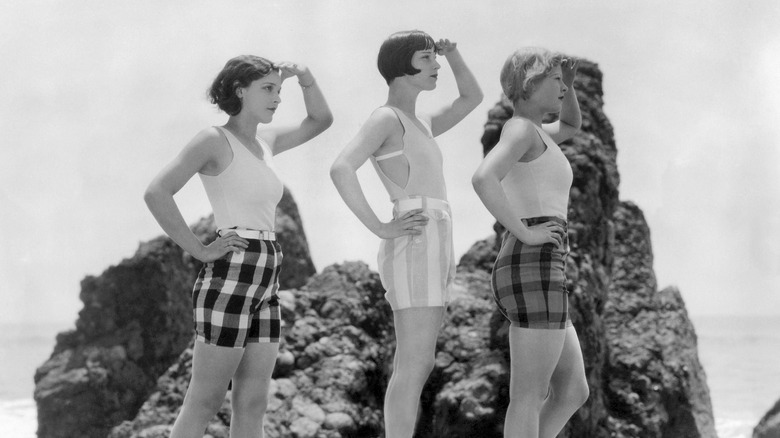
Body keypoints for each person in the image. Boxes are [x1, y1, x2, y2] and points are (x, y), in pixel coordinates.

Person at [144, 55, 332, 438]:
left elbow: (321, 121)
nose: (277, 98)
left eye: (279, 90)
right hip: (231, 273)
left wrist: (306, 79)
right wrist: (200, 249)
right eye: (267, 88)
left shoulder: (267, 141)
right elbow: (157, 192)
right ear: (238, 90)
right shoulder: (213, 139)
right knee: (205, 401)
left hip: (267, 278)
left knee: (253, 403)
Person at [330, 30, 482, 437]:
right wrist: (379, 226)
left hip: (436, 238)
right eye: (426, 58)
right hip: (414, 237)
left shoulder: (422, 121)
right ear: (402, 65)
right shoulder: (386, 118)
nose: (435, 66)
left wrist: (454, 55)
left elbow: (472, 98)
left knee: (422, 361)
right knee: (414, 361)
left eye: (435, 58)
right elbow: (341, 167)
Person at [471, 47, 589, 437]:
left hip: (544, 262)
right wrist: (523, 230)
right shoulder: (520, 128)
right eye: (554, 80)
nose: (561, 87)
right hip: (532, 259)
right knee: (529, 394)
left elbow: (572, 123)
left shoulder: (539, 133)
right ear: (528, 82)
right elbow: (483, 177)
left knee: (572, 389)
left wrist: (569, 85)